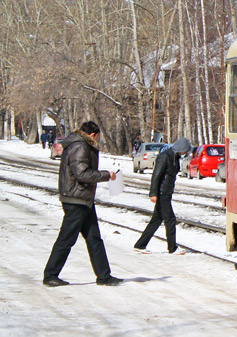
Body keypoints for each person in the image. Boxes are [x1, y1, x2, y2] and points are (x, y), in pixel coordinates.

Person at [42, 121, 123, 286]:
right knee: (66, 239)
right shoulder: (81, 147)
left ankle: (104, 276)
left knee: (94, 239)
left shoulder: (79, 144)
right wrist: (107, 175)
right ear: (93, 135)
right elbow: (82, 174)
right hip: (76, 199)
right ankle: (50, 275)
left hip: (83, 199)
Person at [134, 137, 192, 254]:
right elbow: (156, 175)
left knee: (156, 220)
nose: (186, 153)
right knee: (170, 219)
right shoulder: (165, 156)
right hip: (162, 193)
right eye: (186, 150)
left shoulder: (174, 157)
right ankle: (172, 248)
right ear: (181, 148)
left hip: (166, 192)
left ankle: (140, 245)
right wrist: (153, 193)